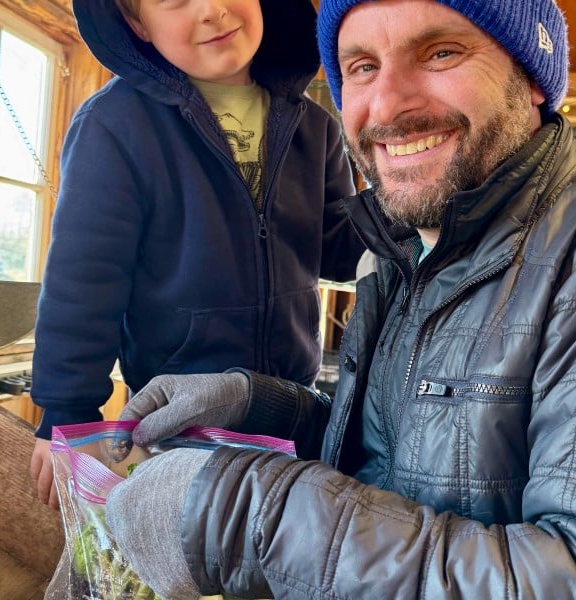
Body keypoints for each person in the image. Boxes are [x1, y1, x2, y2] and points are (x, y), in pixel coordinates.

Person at [104, 0, 576, 598]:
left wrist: (250, 514)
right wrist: (263, 409)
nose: (387, 103)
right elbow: (394, 467)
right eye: (361, 67)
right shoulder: (405, 252)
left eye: (440, 53)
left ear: (531, 76)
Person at [29, 0, 364, 509]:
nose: (212, 10)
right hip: (176, 423)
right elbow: (84, 281)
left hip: (291, 412)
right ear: (138, 24)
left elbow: (340, 249)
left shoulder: (316, 129)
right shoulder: (116, 124)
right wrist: (68, 412)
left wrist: (408, 212)